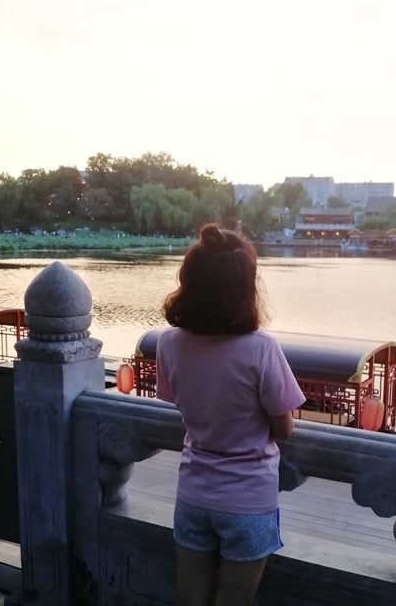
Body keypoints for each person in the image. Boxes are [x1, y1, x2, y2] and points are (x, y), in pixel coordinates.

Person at [156, 223, 305, 606]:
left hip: (193, 492)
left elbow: (178, 402)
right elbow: (284, 428)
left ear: (189, 282)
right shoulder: (261, 349)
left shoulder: (169, 344)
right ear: (245, 288)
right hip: (248, 499)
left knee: (189, 599)